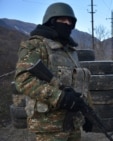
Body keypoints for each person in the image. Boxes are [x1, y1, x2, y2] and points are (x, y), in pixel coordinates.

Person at [14, 2, 93, 141]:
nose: (67, 23)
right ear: (51, 21)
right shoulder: (36, 45)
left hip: (73, 122)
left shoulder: (70, 51)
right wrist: (59, 97)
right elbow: (23, 80)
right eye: (62, 20)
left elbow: (81, 84)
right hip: (49, 125)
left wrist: (88, 113)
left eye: (70, 21)